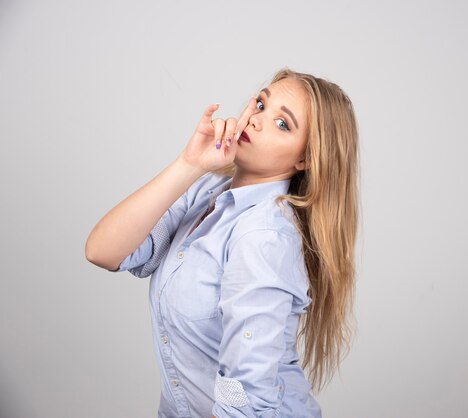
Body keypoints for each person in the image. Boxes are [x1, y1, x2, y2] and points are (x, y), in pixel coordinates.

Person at [85, 68, 359, 418]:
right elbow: (104, 251)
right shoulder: (205, 192)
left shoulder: (264, 237)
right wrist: (190, 164)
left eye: (282, 124)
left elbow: (244, 403)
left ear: (305, 158)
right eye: (261, 104)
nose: (257, 121)